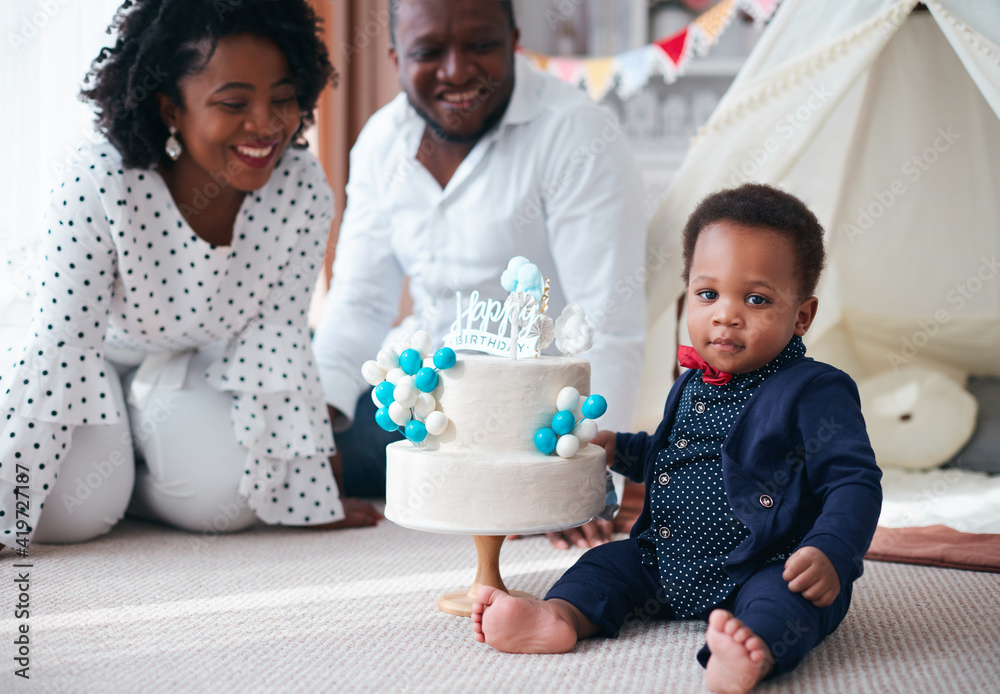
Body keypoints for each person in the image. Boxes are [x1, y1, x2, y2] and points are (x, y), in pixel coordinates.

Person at [0, 0, 382, 552]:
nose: (265, 125)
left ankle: (130, 469)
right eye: (234, 102)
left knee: (230, 505)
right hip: (76, 352)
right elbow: (61, 352)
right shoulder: (96, 178)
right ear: (170, 109)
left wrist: (309, 492)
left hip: (178, 356)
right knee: (72, 515)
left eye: (283, 99)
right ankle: (115, 473)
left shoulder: (299, 187)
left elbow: (278, 338)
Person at [470, 184, 883, 694]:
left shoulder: (816, 390)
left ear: (801, 316)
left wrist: (833, 551)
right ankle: (557, 617)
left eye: (756, 299)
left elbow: (854, 482)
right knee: (604, 566)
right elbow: (677, 451)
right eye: (707, 294)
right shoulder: (690, 381)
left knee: (790, 603)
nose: (725, 315)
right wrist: (621, 448)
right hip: (667, 558)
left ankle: (746, 651)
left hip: (768, 560)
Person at [312, 0, 647, 548]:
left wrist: (584, 473)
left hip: (533, 422)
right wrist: (314, 430)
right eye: (428, 52)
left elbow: (608, 317)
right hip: (417, 401)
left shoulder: (577, 132)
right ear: (396, 57)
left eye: (481, 45)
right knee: (258, 447)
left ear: (514, 40)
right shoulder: (380, 142)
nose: (457, 71)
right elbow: (360, 304)